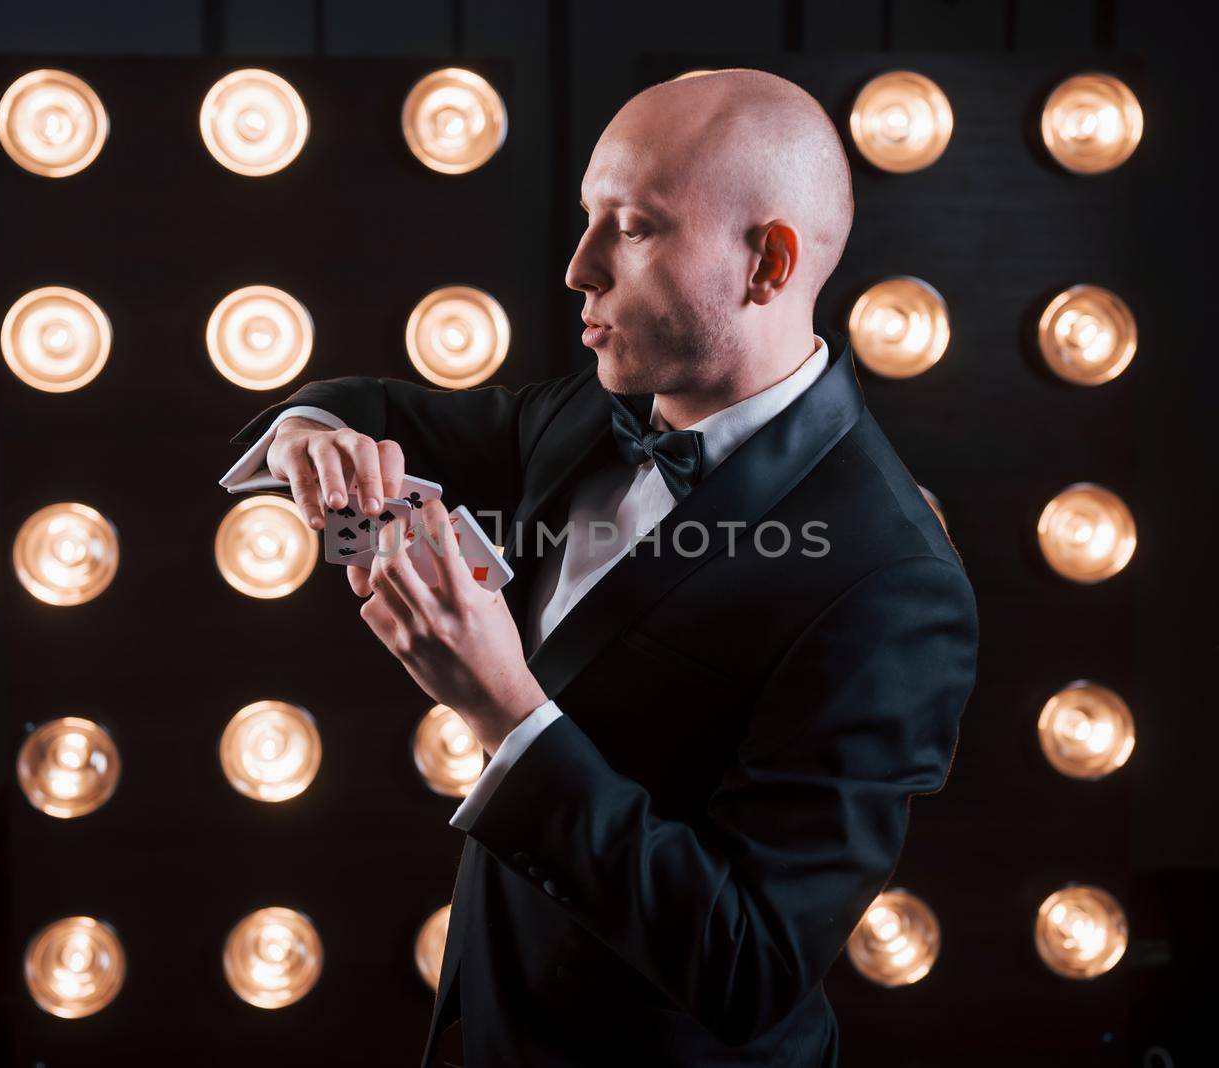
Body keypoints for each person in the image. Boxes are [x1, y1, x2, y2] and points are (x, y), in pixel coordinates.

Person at [219, 68, 978, 1068]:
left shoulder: (891, 582)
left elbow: (749, 965)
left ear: (767, 264)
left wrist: (502, 714)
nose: (577, 268)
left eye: (635, 228)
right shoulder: (589, 407)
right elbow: (374, 409)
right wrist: (309, 438)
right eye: (588, 218)